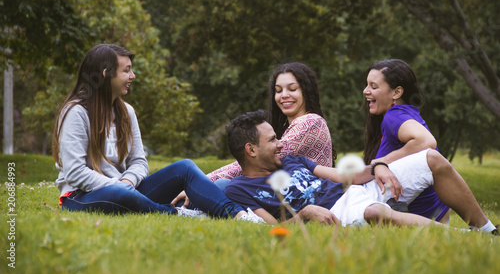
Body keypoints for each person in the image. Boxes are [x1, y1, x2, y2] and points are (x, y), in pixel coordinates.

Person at [52, 44, 260, 221]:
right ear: (106, 74)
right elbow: (75, 172)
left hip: (126, 190)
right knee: (118, 193)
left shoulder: (126, 112)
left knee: (185, 167)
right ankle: (176, 213)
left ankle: (238, 215)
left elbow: (139, 162)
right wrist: (119, 186)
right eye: (126, 70)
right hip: (81, 196)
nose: (132, 76)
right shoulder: (76, 112)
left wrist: (128, 182)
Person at [223, 110, 498, 234]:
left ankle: (487, 230)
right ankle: (465, 239)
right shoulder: (239, 189)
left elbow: (345, 177)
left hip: (357, 189)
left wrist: (378, 165)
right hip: (338, 210)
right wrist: (305, 214)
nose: (281, 142)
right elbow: (273, 229)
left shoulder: (293, 159)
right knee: (375, 213)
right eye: (272, 140)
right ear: (250, 150)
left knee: (431, 158)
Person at [172, 62, 335, 207]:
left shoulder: (311, 122)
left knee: (223, 186)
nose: (284, 95)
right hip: (282, 197)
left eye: (292, 89)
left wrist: (202, 182)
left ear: (306, 91)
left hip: (310, 200)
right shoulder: (287, 126)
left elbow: (254, 160)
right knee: (225, 186)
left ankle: (174, 207)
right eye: (278, 90)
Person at [363, 59, 450, 223]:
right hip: (435, 214)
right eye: (367, 85)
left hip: (421, 220)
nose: (365, 91)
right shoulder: (407, 114)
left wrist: (381, 162)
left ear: (396, 93)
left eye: (373, 87)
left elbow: (427, 141)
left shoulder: (394, 115)